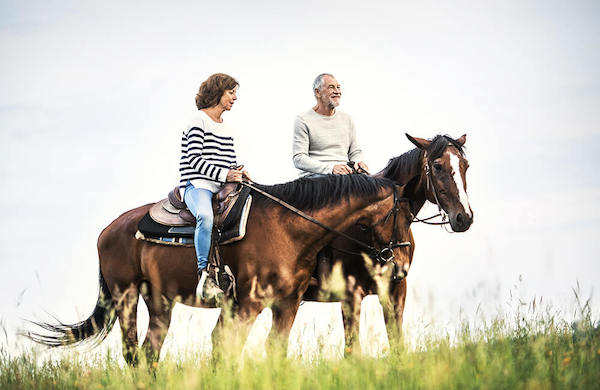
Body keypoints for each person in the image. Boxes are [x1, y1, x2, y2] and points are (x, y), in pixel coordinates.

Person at [179, 73, 249, 301]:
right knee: (205, 217)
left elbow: (229, 160)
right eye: (231, 92)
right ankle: (204, 275)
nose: (235, 98)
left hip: (221, 186)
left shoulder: (226, 126)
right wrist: (225, 174)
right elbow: (193, 159)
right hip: (197, 185)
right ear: (218, 93)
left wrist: (238, 172)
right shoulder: (198, 120)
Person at [293, 73, 368, 176]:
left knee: (377, 187)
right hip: (316, 178)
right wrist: (331, 168)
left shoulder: (347, 119)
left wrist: (359, 162)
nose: (337, 91)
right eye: (331, 87)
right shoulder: (303, 120)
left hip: (345, 175)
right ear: (318, 92)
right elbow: (299, 159)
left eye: (338, 87)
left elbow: (355, 151)